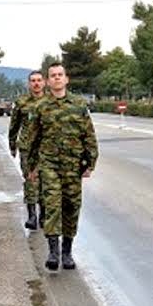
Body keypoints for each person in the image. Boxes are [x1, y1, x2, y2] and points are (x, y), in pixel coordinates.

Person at [26, 63, 98, 271]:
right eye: (53, 76)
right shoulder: (41, 107)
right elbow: (33, 138)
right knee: (52, 205)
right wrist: (32, 167)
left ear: (66, 79)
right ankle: (53, 252)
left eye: (60, 75)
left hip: (73, 167)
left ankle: (67, 251)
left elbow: (89, 136)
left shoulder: (78, 105)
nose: (57, 78)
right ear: (48, 81)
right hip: (49, 165)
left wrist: (90, 163)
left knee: (71, 207)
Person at [9, 70, 46, 229]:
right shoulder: (22, 102)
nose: (36, 83)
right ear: (29, 84)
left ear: (44, 82)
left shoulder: (50, 101)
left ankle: (44, 214)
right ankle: (32, 215)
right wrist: (12, 145)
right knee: (31, 180)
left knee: (46, 181)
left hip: (47, 149)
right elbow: (14, 124)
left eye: (39, 80)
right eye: (33, 81)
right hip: (27, 148)